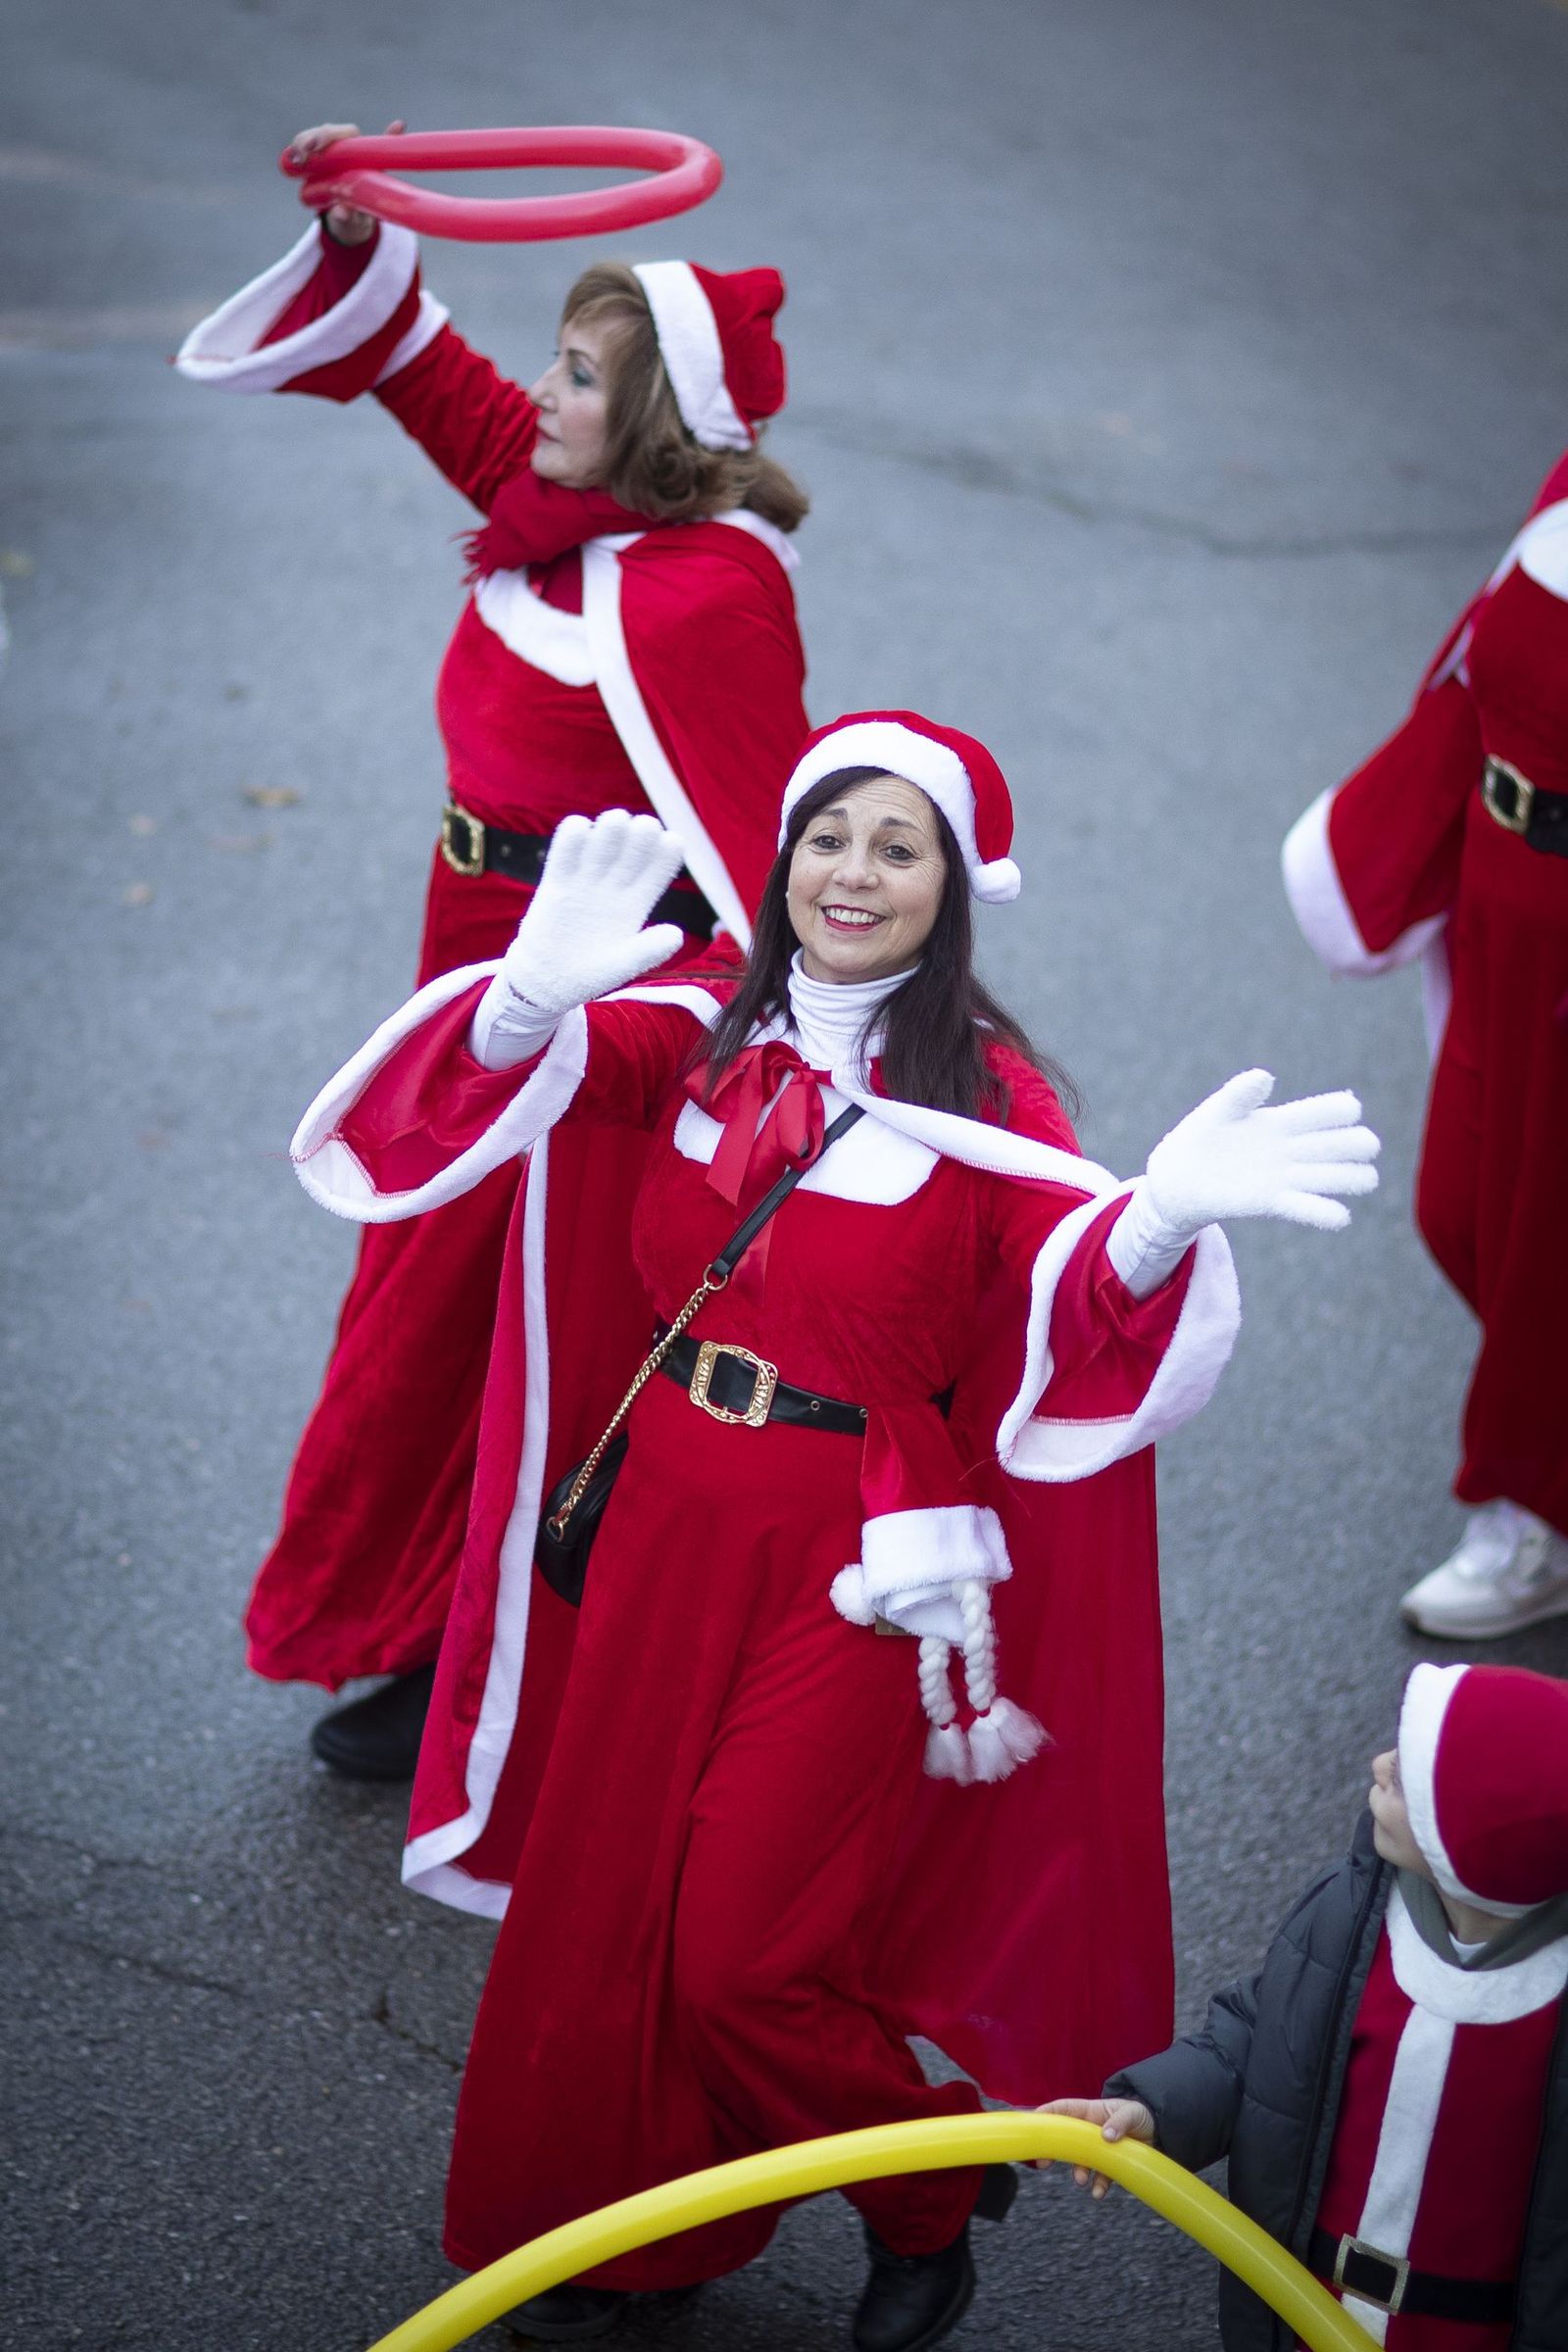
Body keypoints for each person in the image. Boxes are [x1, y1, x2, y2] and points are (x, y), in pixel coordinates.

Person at [289, 710, 1378, 2348]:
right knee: (612, 1914)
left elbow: (1057, 1305)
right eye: (828, 835)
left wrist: (1152, 1227)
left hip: (867, 1571)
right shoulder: (702, 1030)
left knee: (739, 1955)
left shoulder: (992, 1099)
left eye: (898, 845)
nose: (853, 873)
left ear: (955, 886)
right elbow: (473, 1116)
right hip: (662, 1524)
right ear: (784, 850)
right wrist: (523, 999)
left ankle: (928, 2200)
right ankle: (613, 2247)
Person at [176, 123, 810, 1775]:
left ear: (655, 421)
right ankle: (430, 1637)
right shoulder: (565, 511)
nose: (543, 393)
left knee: (519, 1342)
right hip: (464, 963)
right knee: (419, 1317)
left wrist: (684, 1044)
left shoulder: (706, 596)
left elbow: (768, 877)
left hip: (575, 1019)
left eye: (583, 375)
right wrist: (350, 217)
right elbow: (435, 377)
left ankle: (502, 1679)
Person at [1044, 1659, 1568, 2352]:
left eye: (1408, 1778)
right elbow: (1258, 2041)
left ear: (1468, 1847)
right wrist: (1153, 2109)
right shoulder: (1353, 1919)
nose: (1379, 1766)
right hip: (1301, 2306)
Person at [1282, 459, 1568, 1641]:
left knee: (1540, 1244)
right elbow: (1476, 668)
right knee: (1465, 1210)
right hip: (1508, 893)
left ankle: (1528, 1520)